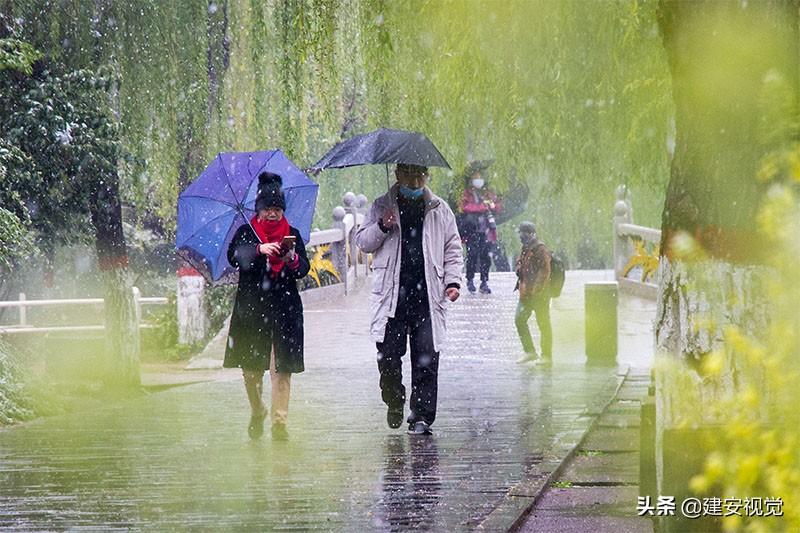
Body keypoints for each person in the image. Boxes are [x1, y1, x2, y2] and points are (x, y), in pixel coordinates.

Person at [355, 163, 463, 435]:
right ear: (398, 175)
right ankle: (394, 400)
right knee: (388, 358)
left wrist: (452, 281)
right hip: (392, 297)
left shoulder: (439, 209)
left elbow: (452, 247)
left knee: (426, 357)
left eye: (421, 176)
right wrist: (382, 225)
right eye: (409, 176)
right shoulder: (382, 206)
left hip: (427, 294)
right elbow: (363, 242)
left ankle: (421, 417)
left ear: (427, 176)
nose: (415, 182)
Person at [223, 171, 310, 440]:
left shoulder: (291, 234)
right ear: (258, 209)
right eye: (267, 209)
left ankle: (279, 423)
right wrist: (259, 251)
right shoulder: (246, 233)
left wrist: (293, 258)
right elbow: (234, 256)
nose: (272, 214)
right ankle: (258, 409)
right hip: (252, 311)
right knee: (250, 372)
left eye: (277, 209)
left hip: (285, 310)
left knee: (281, 369)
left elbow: (303, 269)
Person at [514, 221, 553, 365]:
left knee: (543, 323)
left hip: (539, 295)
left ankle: (547, 356)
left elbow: (545, 271)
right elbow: (520, 261)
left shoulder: (540, 249)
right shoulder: (525, 248)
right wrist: (518, 267)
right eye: (520, 233)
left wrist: (537, 289)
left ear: (531, 234)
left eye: (523, 233)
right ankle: (530, 352)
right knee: (519, 319)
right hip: (525, 293)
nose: (521, 236)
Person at [459, 169, 502, 294]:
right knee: (472, 256)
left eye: (480, 177)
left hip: (486, 231)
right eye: (475, 177)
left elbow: (498, 206)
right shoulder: (467, 193)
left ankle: (484, 282)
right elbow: (464, 207)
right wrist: (481, 207)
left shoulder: (487, 193)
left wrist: (493, 206)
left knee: (486, 257)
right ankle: (470, 279)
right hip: (472, 230)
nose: (478, 180)